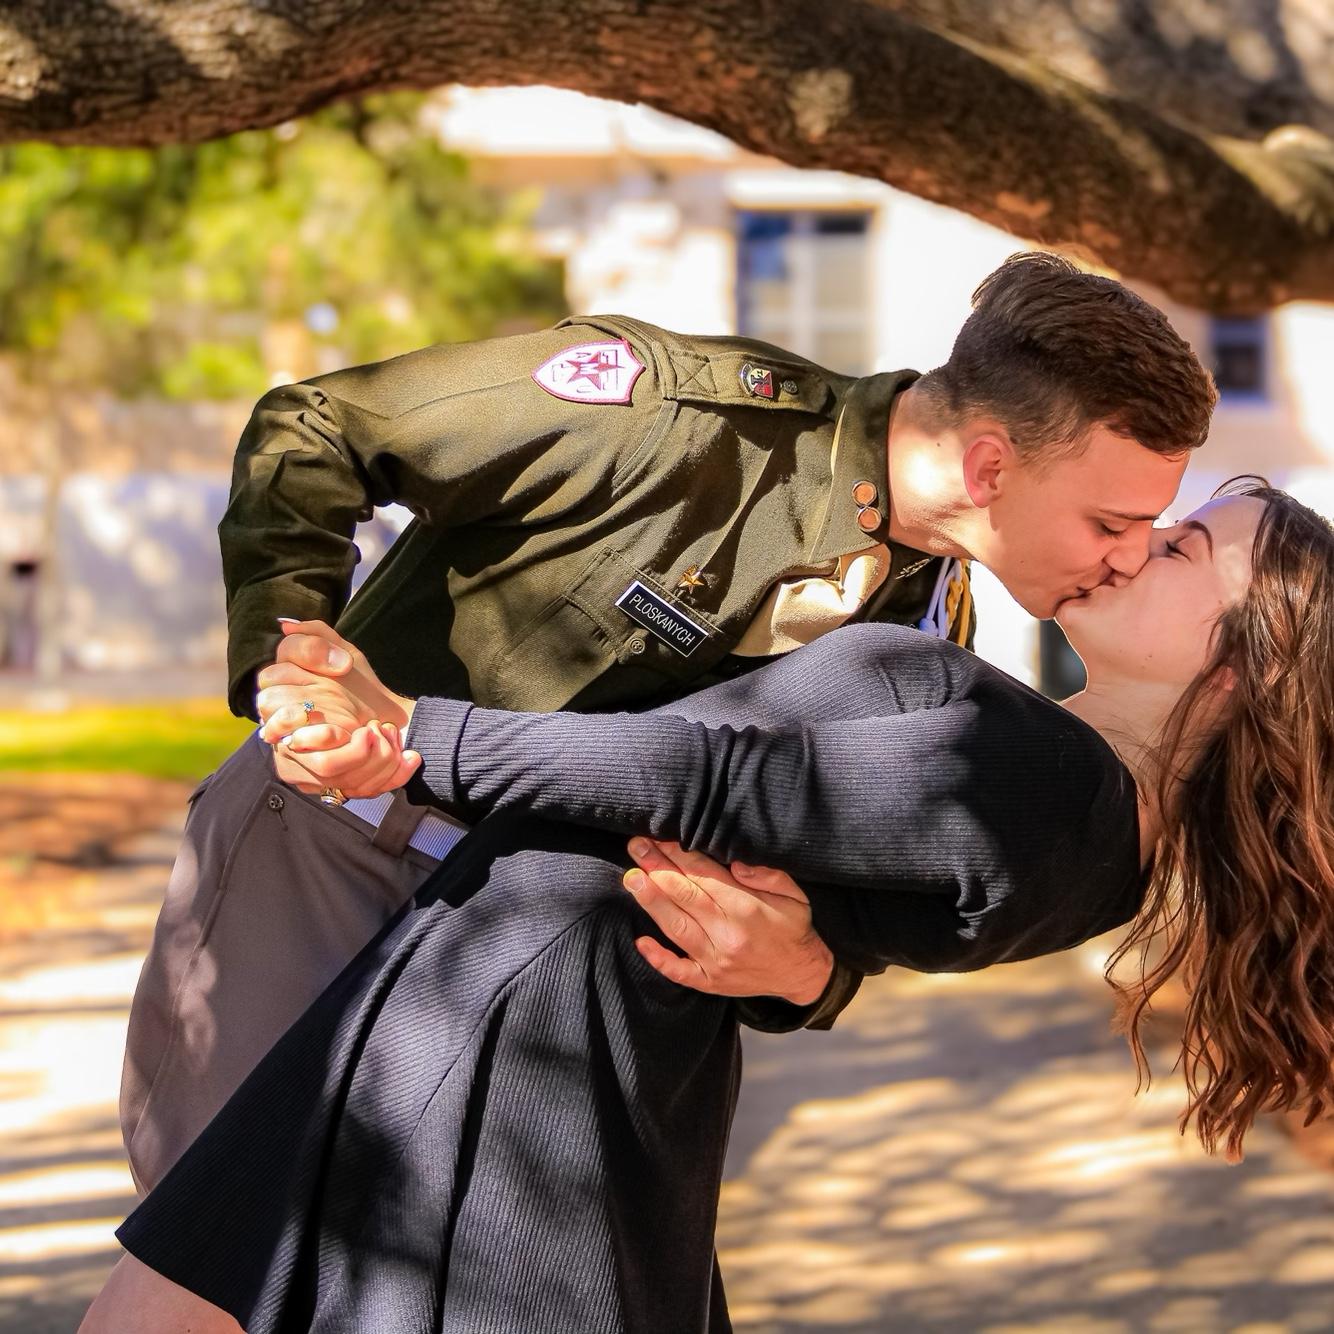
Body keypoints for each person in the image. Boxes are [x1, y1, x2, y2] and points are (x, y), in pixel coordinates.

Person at [83, 482, 1334, 1333]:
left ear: (1245, 657)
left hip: (516, 1028)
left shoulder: (1060, 790)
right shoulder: (1085, 816)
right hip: (518, 995)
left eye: (1179, 546)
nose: (1135, 537)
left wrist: (417, 734)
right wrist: (814, 974)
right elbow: (833, 882)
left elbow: (732, 779)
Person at [121, 251, 1215, 1192]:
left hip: (556, 973)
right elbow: (320, 423)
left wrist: (806, 971)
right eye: (1110, 519)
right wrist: (295, 664)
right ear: (986, 464)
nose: (1127, 554)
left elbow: (831, 859)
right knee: (224, 1262)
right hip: (350, 851)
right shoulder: (674, 420)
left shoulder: (940, 613)